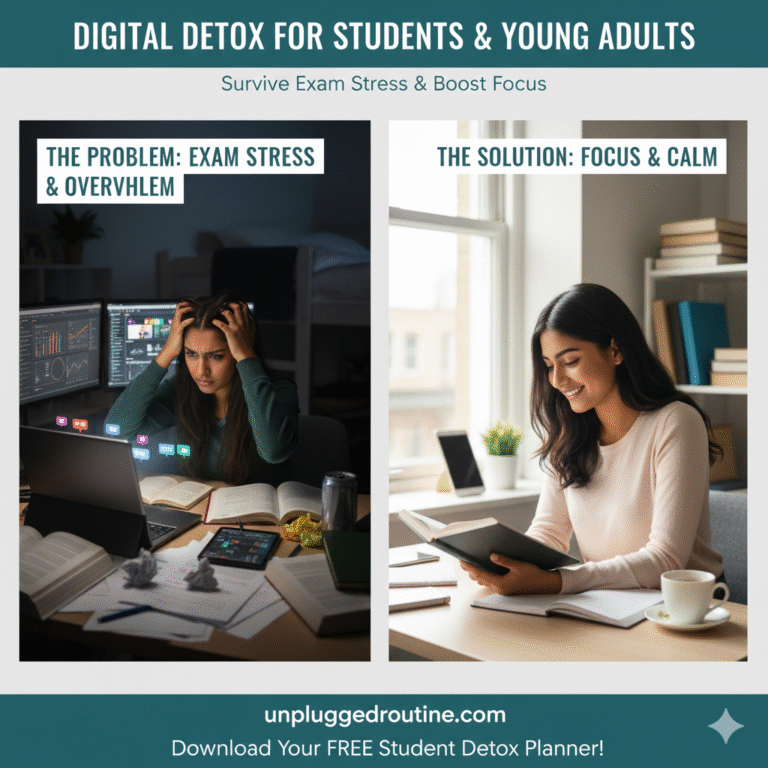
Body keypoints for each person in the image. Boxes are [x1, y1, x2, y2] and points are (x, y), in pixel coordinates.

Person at [461, 283, 724, 595]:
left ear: (615, 351)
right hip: (606, 602)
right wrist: (502, 563)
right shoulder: (568, 433)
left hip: (685, 609)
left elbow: (666, 561)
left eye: (570, 361)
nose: (557, 380)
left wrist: (557, 582)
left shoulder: (676, 423)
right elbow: (549, 532)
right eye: (549, 366)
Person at [105, 293, 299, 485]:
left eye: (216, 356)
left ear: (239, 351)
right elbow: (117, 432)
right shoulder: (182, 389)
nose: (201, 371)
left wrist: (247, 358)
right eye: (191, 354)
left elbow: (274, 451)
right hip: (201, 509)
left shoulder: (279, 389)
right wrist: (167, 353)